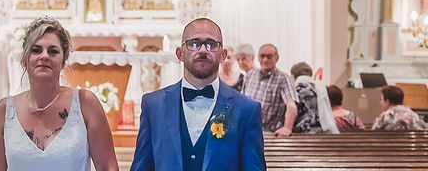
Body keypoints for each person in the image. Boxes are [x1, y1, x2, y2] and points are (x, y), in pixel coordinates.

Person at [0, 17, 118, 171]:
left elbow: (109, 167)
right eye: (36, 50)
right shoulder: (4, 111)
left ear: (63, 61)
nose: (44, 56)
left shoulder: (85, 104)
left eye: (53, 51)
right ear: (25, 59)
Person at [131, 17, 266, 171]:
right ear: (180, 53)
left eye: (211, 44)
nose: (202, 50)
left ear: (222, 54)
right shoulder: (153, 105)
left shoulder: (247, 110)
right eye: (193, 44)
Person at [242, 44, 298, 137]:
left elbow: (291, 106)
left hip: (269, 135)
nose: (265, 59)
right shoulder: (249, 75)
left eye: (269, 56)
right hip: (247, 132)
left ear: (277, 58)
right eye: (262, 56)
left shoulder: (283, 78)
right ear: (258, 57)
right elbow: (241, 103)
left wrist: (287, 128)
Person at [290, 62, 338, 134]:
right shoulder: (320, 88)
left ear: (293, 76)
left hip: (301, 133)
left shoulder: (295, 89)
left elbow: (291, 112)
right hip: (320, 130)